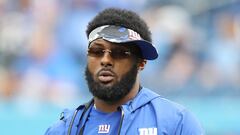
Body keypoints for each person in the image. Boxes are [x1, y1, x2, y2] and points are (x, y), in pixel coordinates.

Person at [45, 8, 204, 135]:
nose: (106, 60)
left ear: (141, 63)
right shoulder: (65, 129)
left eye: (120, 53)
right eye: (97, 51)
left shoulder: (175, 122)